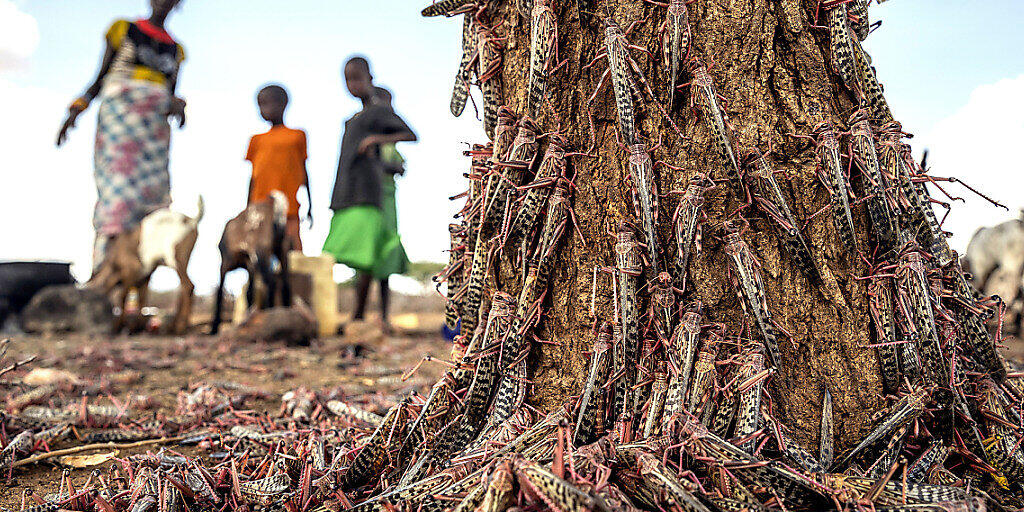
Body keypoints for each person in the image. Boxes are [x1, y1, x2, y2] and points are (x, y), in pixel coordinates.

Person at [56, 0, 188, 272]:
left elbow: (171, 92)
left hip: (154, 135)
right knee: (117, 198)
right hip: (120, 125)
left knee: (153, 204)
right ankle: (104, 270)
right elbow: (100, 76)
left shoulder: (176, 51)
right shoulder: (123, 30)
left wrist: (178, 107)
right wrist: (76, 109)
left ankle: (135, 280)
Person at [323, 57, 416, 333]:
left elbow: (410, 135)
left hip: (370, 194)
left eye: (357, 78)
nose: (352, 85)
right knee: (353, 255)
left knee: (367, 257)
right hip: (348, 192)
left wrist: (376, 140)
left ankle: (360, 317)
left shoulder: (377, 112)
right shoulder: (354, 119)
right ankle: (359, 315)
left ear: (370, 78)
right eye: (347, 79)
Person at [245, 84, 312, 250]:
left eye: (266, 104)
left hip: (289, 208)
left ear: (282, 104)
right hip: (260, 208)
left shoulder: (297, 136)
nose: (262, 110)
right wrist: (247, 208)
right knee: (258, 252)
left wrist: (310, 205)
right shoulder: (256, 140)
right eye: (260, 105)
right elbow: (254, 176)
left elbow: (304, 172)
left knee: (293, 252)